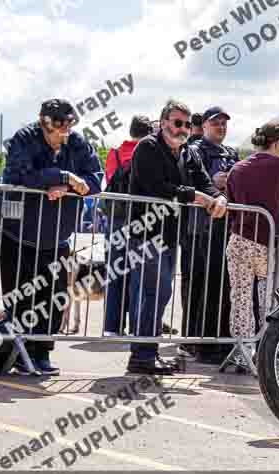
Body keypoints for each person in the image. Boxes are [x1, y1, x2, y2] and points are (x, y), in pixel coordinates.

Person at [0, 98, 102, 375]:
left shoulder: (78, 142)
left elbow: (95, 180)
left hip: (57, 236)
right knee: (20, 296)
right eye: (56, 125)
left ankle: (42, 352)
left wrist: (67, 187)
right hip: (18, 234)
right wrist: (63, 176)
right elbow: (19, 175)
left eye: (67, 124)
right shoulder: (23, 138)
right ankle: (19, 353)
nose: (62, 132)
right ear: (42, 120)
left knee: (54, 296)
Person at [126, 99, 227, 375]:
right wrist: (194, 196)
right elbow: (157, 187)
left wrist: (219, 198)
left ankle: (146, 354)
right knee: (154, 293)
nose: (182, 129)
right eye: (176, 123)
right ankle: (142, 356)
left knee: (159, 294)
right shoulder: (147, 146)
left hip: (171, 235)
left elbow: (203, 180)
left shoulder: (187, 152)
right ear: (163, 122)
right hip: (145, 233)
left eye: (185, 124)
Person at [225, 122, 279, 347]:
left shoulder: (236, 168)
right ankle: (267, 348)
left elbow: (231, 205)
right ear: (276, 143)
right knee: (267, 300)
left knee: (240, 300)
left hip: (239, 240)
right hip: (266, 242)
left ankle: (242, 350)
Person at [188, 106, 240, 363]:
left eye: (224, 122)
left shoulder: (231, 153)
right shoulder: (195, 150)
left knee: (224, 286)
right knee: (203, 285)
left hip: (227, 227)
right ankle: (201, 344)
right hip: (201, 228)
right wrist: (212, 180)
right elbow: (187, 181)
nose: (221, 126)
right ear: (205, 126)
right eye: (216, 122)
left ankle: (220, 342)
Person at [103, 115, 153, 337]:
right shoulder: (149, 152)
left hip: (116, 216)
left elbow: (109, 178)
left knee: (114, 271)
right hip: (140, 218)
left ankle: (111, 326)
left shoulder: (114, 152)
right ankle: (136, 326)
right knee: (137, 273)